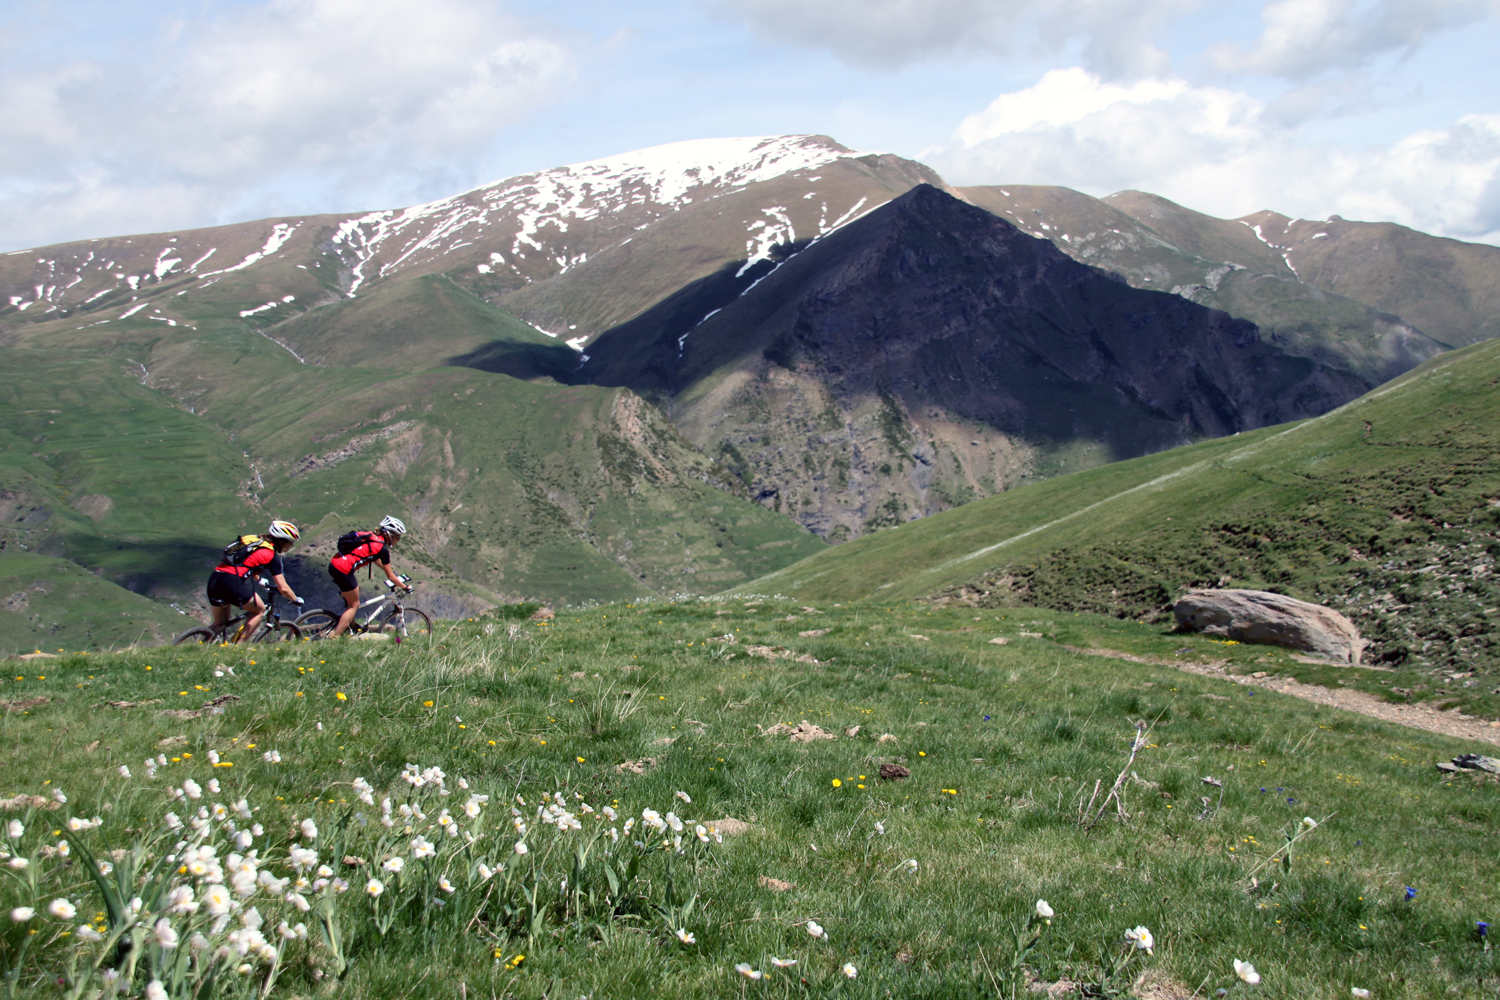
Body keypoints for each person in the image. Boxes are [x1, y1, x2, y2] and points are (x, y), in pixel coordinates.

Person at [206, 520, 304, 642]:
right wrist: (294, 599)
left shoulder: (254, 541)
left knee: (219, 624)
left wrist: (260, 580)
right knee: (259, 610)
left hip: (216, 578)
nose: (291, 546)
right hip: (231, 582)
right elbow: (283, 588)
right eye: (290, 543)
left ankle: (199, 646)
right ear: (282, 541)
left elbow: (245, 564)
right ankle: (237, 646)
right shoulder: (272, 556)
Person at [328, 515, 410, 636]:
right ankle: (335, 636)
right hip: (344, 570)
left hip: (334, 564)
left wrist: (390, 571)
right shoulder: (382, 549)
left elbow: (375, 559)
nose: (398, 540)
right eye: (397, 537)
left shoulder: (371, 537)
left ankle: (352, 625)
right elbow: (391, 577)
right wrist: (405, 587)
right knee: (354, 605)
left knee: (355, 592)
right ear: (390, 535)